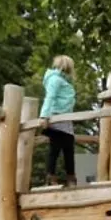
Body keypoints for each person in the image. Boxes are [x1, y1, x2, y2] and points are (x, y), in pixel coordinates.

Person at [39, 55, 78, 187]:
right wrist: (44, 116)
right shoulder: (55, 79)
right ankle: (51, 176)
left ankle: (70, 176)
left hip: (65, 119)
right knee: (55, 147)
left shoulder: (63, 81)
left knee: (68, 147)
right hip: (56, 117)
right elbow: (50, 97)